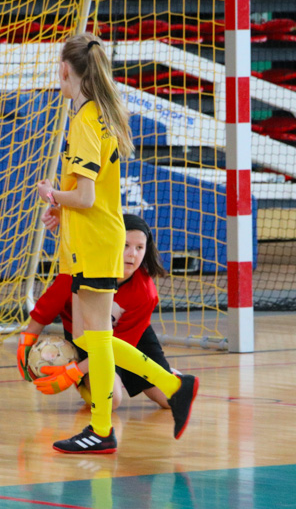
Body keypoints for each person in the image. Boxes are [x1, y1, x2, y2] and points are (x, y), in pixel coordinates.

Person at [30, 34, 198, 454]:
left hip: (96, 243)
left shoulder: (86, 119)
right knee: (94, 338)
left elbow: (85, 197)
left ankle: (106, 427)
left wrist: (52, 195)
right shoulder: (100, 114)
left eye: (58, 68)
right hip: (95, 238)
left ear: (67, 70)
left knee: (97, 339)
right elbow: (89, 195)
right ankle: (172, 386)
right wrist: (63, 209)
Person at [18, 214, 175, 411]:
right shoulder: (82, 271)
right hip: (87, 338)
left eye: (139, 248)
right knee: (111, 401)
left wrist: (72, 372)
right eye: (125, 245)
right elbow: (46, 309)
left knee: (171, 400)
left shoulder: (145, 293)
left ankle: (169, 374)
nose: (132, 254)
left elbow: (118, 350)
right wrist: (26, 341)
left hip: (128, 340)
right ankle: (85, 383)